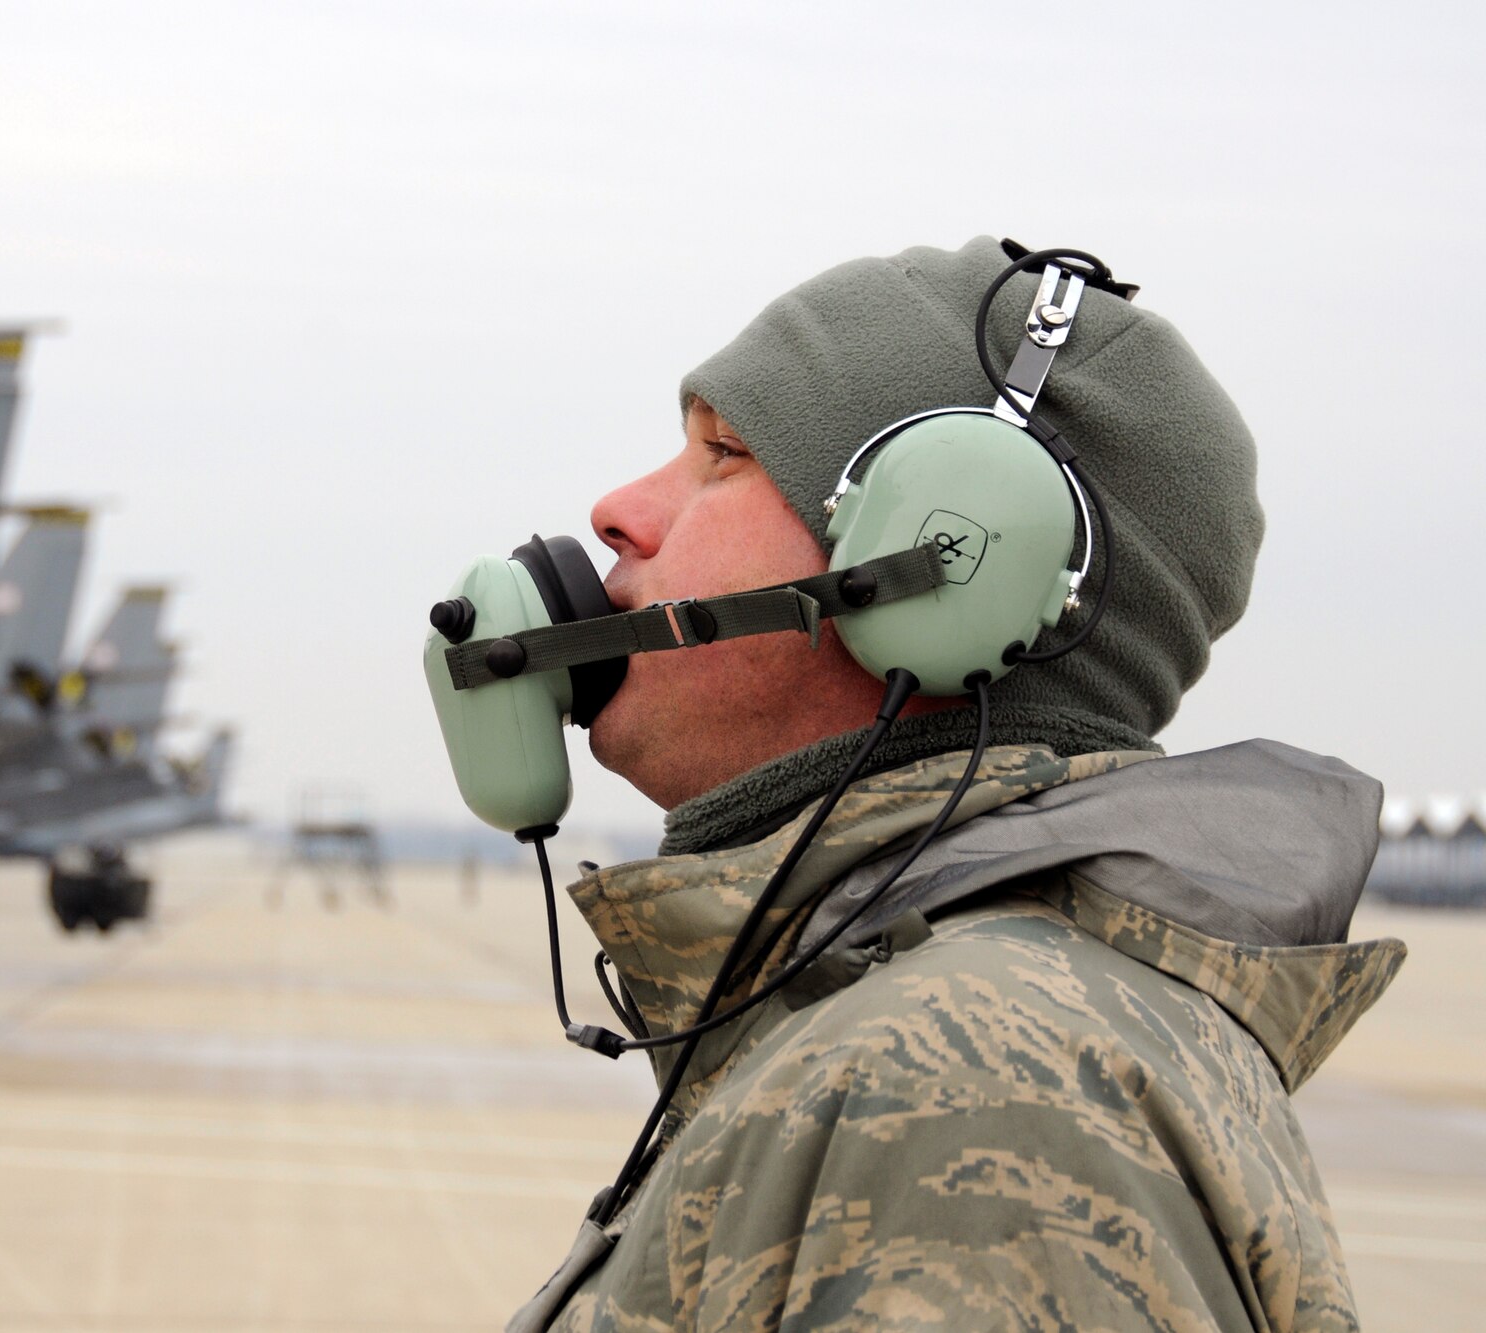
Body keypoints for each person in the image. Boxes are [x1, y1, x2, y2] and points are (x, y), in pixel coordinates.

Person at [509, 237, 1406, 1331]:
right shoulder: (922, 1025)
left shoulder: (973, 1086)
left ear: (948, 555)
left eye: (724, 454)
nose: (616, 509)